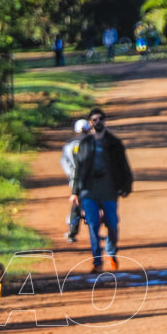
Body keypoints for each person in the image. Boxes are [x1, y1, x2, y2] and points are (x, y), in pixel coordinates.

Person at [69, 107, 133, 273]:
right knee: (93, 225)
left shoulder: (114, 143)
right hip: (88, 191)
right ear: (90, 123)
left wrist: (126, 186)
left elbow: (124, 166)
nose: (97, 122)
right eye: (94, 120)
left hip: (109, 189)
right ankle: (97, 260)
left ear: (105, 121)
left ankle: (111, 251)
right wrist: (75, 191)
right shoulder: (85, 144)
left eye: (100, 119)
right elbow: (79, 168)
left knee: (112, 224)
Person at [61, 119, 91, 242]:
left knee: (76, 205)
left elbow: (65, 162)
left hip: (75, 179)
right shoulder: (93, 142)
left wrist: (72, 175)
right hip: (90, 178)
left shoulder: (69, 145)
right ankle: (94, 231)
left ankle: (72, 232)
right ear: (88, 129)